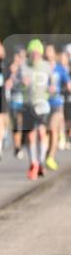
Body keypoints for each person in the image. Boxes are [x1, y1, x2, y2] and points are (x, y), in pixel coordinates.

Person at [22, 39, 52, 179]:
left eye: (37, 53)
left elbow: (53, 84)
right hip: (28, 103)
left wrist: (52, 88)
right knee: (30, 135)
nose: (34, 56)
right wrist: (22, 83)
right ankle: (33, 163)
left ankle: (41, 162)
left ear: (40, 54)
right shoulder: (24, 66)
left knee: (41, 132)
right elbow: (18, 84)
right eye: (32, 53)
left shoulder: (46, 66)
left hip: (42, 104)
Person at [44, 43, 70, 171]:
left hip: (57, 104)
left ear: (54, 53)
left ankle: (51, 157)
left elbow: (68, 84)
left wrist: (65, 88)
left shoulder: (60, 69)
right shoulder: (41, 68)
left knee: (53, 130)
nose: (48, 53)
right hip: (43, 104)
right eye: (46, 51)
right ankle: (47, 153)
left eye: (50, 51)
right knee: (46, 131)